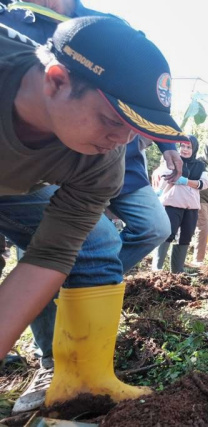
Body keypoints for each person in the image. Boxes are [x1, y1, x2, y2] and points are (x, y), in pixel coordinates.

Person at [0, 15, 188, 411]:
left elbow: (50, 255)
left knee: (97, 244)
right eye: (111, 120)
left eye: (135, 129)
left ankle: (82, 381)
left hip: (14, 188)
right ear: (55, 81)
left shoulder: (103, 160)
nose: (120, 140)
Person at [152, 136, 208, 273]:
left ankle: (177, 271)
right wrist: (192, 182)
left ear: (194, 149)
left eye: (189, 147)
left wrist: (184, 181)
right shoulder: (171, 162)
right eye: (182, 146)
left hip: (191, 207)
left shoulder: (200, 165)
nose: (185, 149)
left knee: (186, 236)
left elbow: (204, 184)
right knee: (168, 234)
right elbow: (165, 176)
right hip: (172, 203)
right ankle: (157, 267)